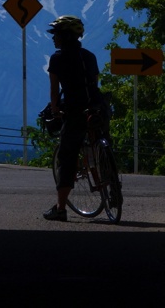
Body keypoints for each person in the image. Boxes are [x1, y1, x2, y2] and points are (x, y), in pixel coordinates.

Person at [42, 14, 101, 222]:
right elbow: (94, 83)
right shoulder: (90, 56)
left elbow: (54, 91)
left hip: (75, 112)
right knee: (102, 144)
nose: (53, 38)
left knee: (67, 158)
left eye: (56, 34)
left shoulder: (57, 59)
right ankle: (111, 187)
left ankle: (60, 209)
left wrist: (56, 109)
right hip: (97, 109)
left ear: (65, 36)